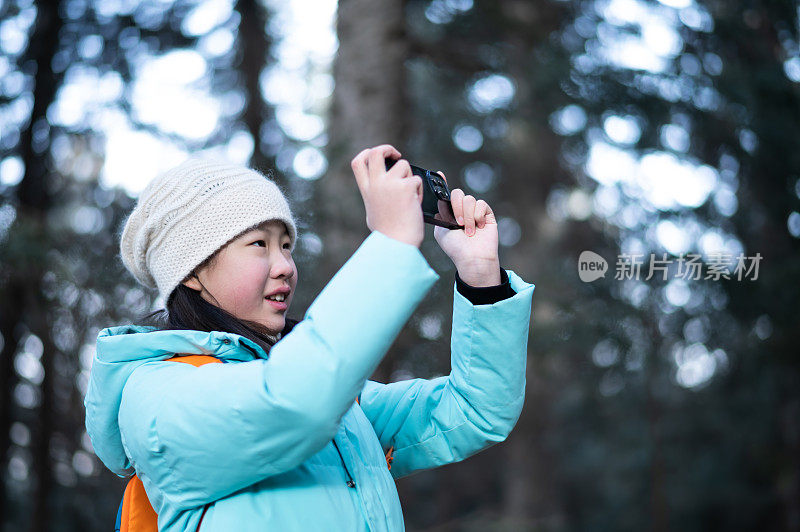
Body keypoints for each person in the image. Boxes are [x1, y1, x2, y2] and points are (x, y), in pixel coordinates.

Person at [84, 144, 535, 531]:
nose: (284, 266)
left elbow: (476, 410)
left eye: (286, 245)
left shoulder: (345, 408)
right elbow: (291, 405)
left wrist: (481, 276)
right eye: (259, 244)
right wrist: (390, 244)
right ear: (195, 273)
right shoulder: (157, 398)